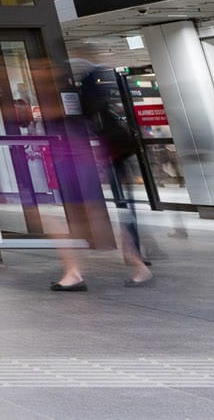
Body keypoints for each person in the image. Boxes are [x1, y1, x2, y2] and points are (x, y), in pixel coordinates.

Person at [50, 64, 152, 290]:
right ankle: (132, 259)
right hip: (103, 158)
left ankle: (132, 260)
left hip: (104, 158)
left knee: (100, 211)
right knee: (109, 210)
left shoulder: (81, 100)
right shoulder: (82, 100)